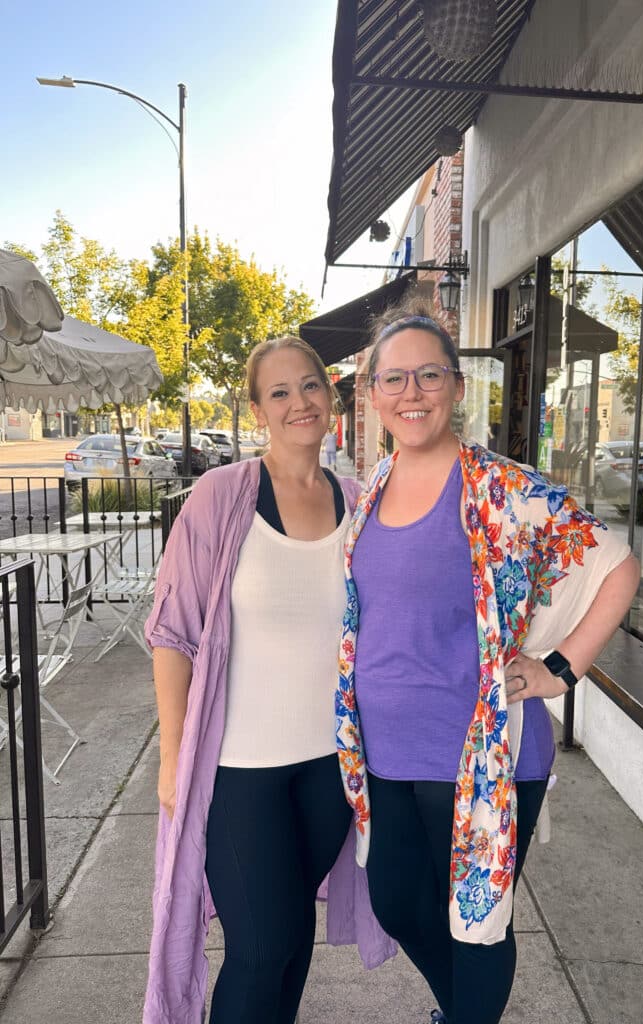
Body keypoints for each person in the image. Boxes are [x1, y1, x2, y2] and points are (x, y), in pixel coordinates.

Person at [335, 305, 640, 1024]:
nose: (413, 392)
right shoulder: (373, 487)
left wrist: (561, 668)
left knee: (476, 920)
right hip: (386, 747)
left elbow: (616, 566)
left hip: (477, 752)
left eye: (429, 375)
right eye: (395, 378)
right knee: (397, 901)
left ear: (457, 385)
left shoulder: (505, 488)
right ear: (374, 393)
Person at [143, 336, 394, 1024]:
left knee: (288, 941)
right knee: (260, 946)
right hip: (237, 767)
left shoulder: (359, 502)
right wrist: (172, 758)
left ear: (332, 397)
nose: (298, 402)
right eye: (279, 392)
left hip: (331, 767)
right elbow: (172, 634)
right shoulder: (221, 496)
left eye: (310, 386)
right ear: (257, 410)